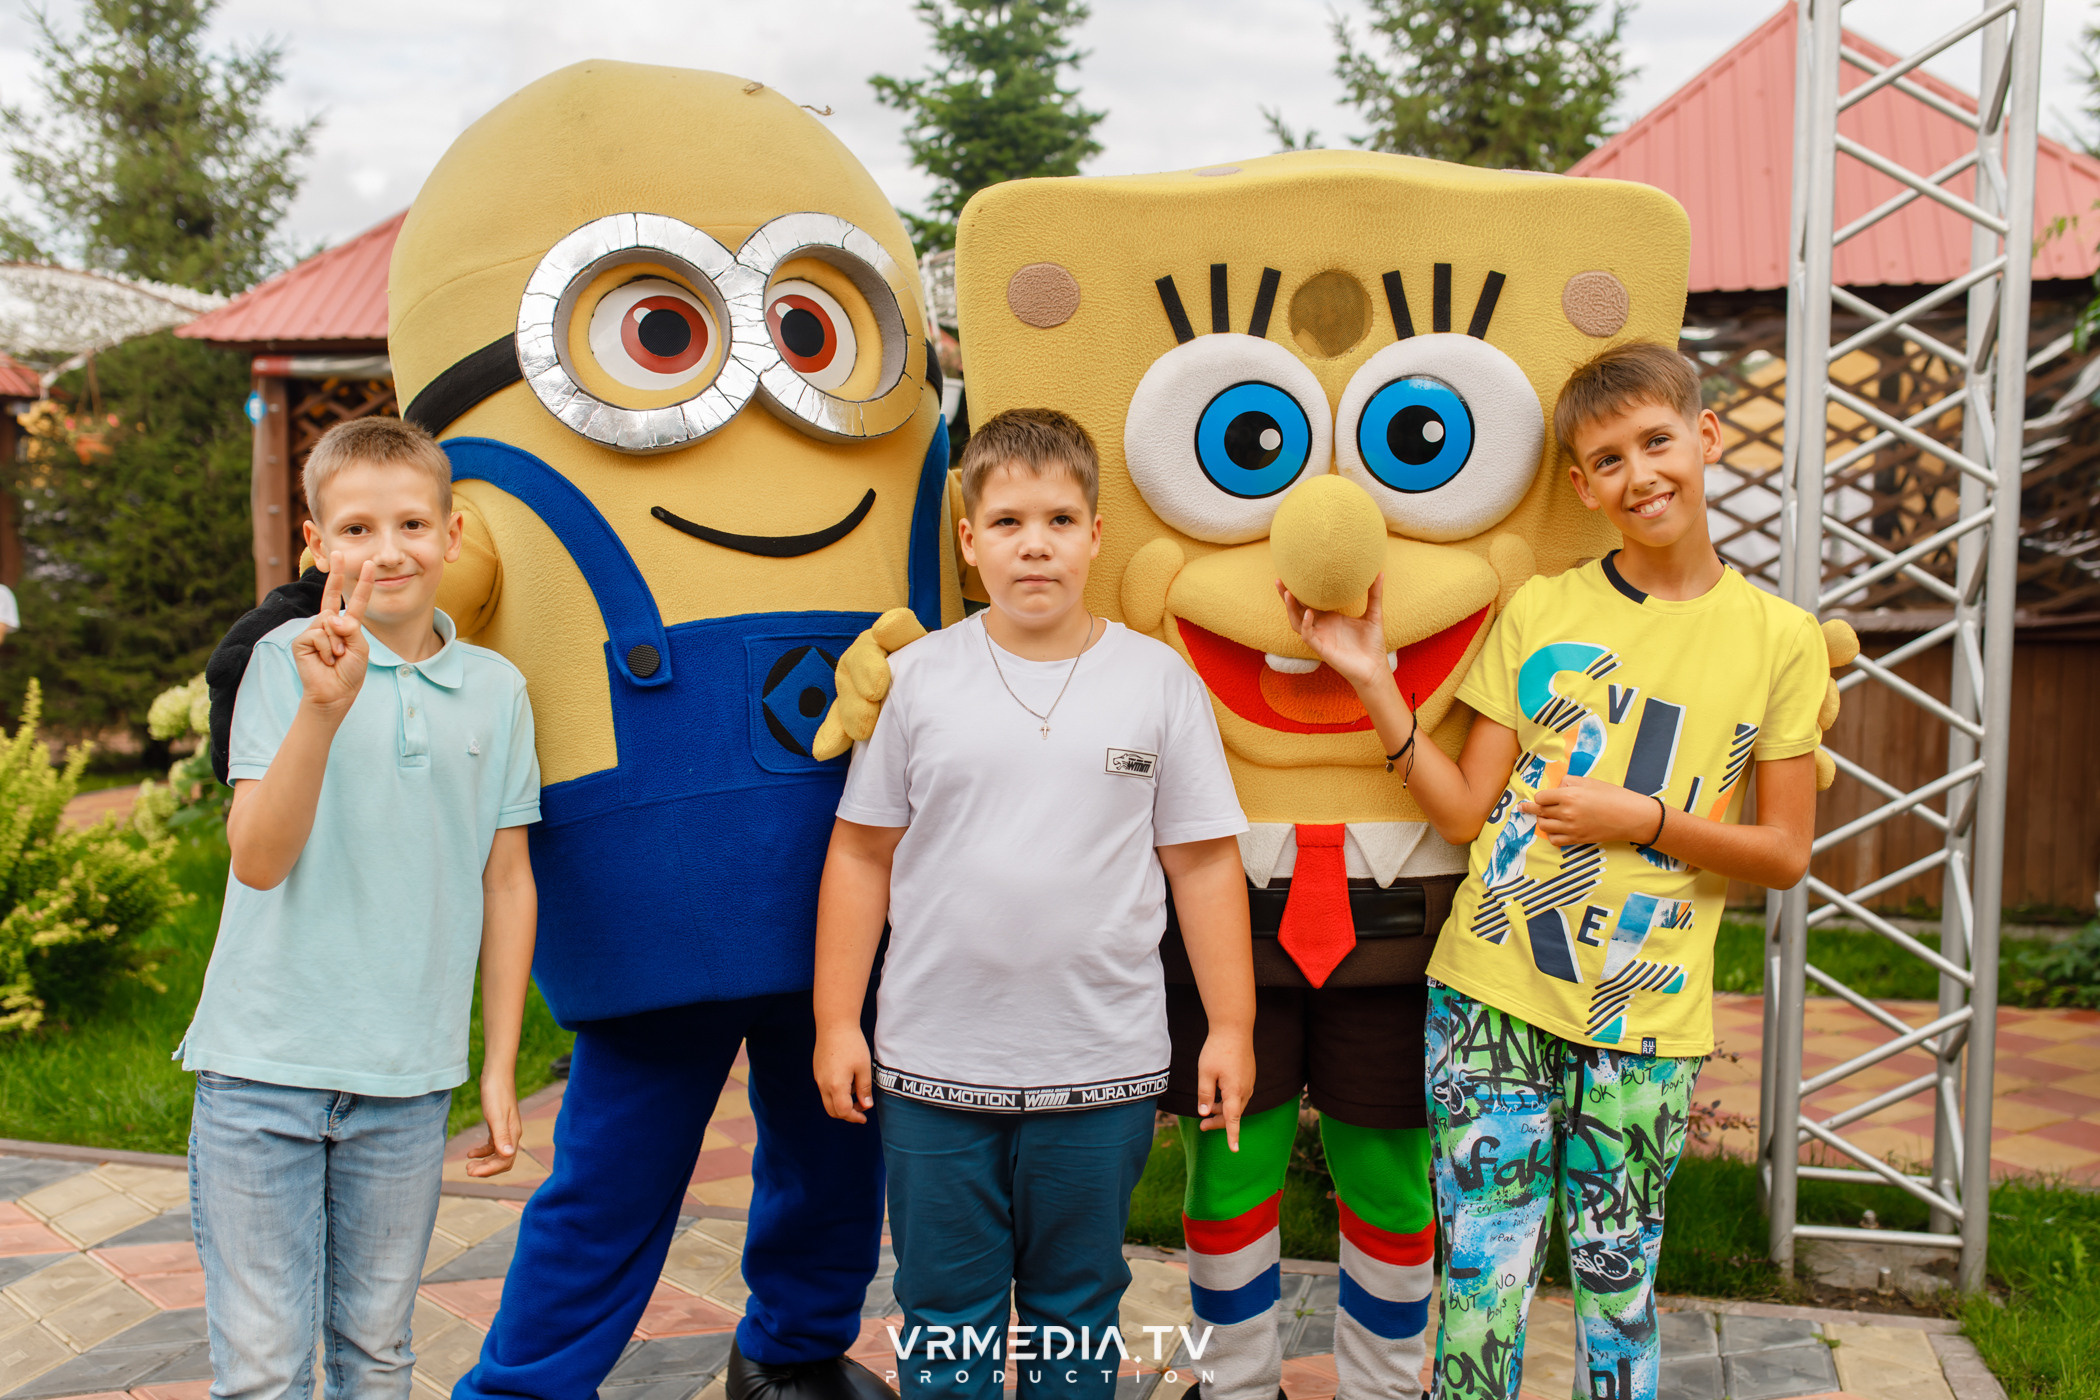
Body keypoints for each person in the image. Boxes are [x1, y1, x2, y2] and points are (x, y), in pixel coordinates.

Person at [1281, 342, 1828, 1400]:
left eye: (1657, 441)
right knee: (1483, 1280)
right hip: (1490, 990)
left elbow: (1784, 853)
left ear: (1706, 437)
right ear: (1583, 485)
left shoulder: (1781, 641)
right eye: (1609, 459)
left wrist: (1645, 816)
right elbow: (1462, 805)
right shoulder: (1542, 609)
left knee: (1619, 1289)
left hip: (1645, 1016)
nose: (1641, 474)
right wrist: (1371, 680)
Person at [813, 408, 1257, 1400]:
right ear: (969, 540)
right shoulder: (919, 681)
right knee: (944, 1316)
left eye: (1060, 517)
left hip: (1101, 1067)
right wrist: (836, 1018)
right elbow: (860, 852)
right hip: (935, 1066)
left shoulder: (1158, 683)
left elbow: (1202, 865)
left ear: (1096, 533)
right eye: (1008, 520)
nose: (1036, 543)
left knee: (1075, 1311)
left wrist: (1231, 1023)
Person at [180, 416, 541, 1396]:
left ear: (453, 532)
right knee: (265, 1370)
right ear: (316, 543)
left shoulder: (498, 690)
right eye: (356, 529)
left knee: (378, 1355)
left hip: (407, 1083)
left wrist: (498, 1065)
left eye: (412, 523)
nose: (388, 551)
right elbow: (257, 860)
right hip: (263, 1072)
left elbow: (506, 880)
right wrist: (323, 709)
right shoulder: (283, 662)